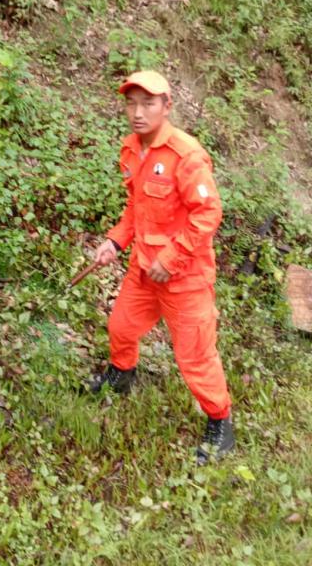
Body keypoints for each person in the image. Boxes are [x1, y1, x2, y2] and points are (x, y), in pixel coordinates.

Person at [91, 70, 234, 465]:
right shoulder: (131, 148)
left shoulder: (186, 155)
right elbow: (137, 207)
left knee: (195, 357)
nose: (137, 112)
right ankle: (121, 376)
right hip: (143, 271)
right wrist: (115, 241)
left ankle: (221, 422)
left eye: (147, 104)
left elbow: (208, 214)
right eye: (131, 103)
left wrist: (170, 259)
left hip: (183, 277)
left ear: (166, 107)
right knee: (121, 326)